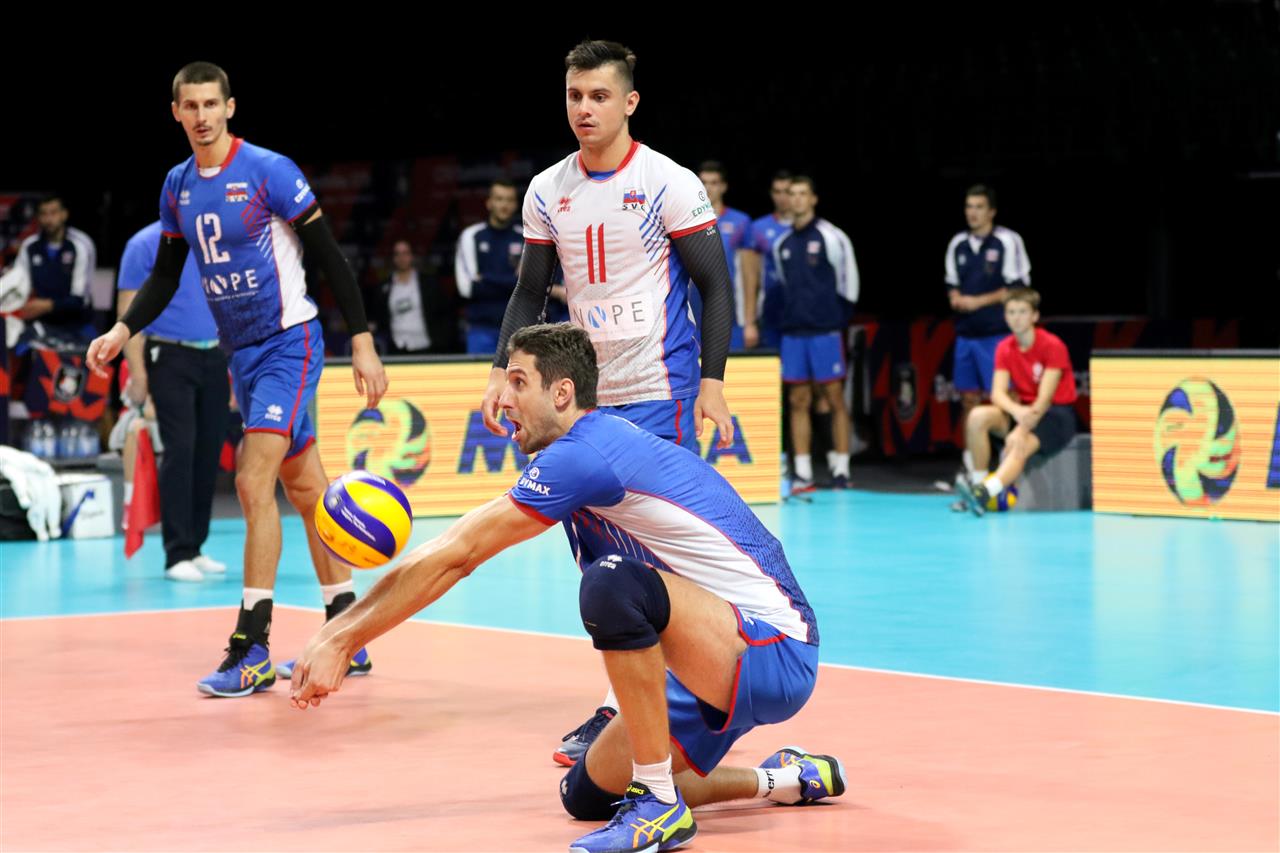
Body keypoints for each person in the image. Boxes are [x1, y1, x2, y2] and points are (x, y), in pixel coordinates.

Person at [289, 323, 845, 853]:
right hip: (704, 649)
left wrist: (342, 638)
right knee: (587, 796)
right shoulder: (575, 458)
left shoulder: (586, 452)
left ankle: (658, 804)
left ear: (562, 393)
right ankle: (786, 780)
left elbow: (457, 555)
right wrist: (340, 633)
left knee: (613, 585)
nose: (503, 398)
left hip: (772, 647)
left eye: (518, 382)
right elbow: (455, 545)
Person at [86, 61, 388, 697]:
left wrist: (362, 340)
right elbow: (165, 275)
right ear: (176, 112)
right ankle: (347, 631)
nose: (201, 116)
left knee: (253, 480)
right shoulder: (178, 185)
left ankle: (251, 647)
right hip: (241, 354)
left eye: (210, 105)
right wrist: (122, 330)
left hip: (288, 344)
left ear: (229, 107)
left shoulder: (269, 171)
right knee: (306, 489)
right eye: (189, 106)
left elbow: (329, 256)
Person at [475, 39, 737, 765]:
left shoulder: (668, 182)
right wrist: (501, 370)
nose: (584, 109)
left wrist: (713, 381)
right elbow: (530, 290)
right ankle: (624, 703)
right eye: (574, 96)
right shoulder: (546, 189)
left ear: (629, 102)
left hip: (659, 391)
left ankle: (675, 705)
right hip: (581, 406)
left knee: (659, 557)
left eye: (598, 96)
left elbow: (714, 284)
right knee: (600, 564)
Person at [117, 220, 229, 582]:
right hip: (168, 356)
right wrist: (138, 374)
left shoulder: (212, 239)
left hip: (216, 355)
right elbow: (127, 314)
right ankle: (177, 552)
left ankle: (195, 546)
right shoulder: (143, 244)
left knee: (209, 451)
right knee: (180, 449)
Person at [957, 287, 1077, 517]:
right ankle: (978, 483)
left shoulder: (1053, 346)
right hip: (1023, 410)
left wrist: (1021, 429)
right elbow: (997, 394)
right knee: (977, 416)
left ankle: (984, 494)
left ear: (1035, 316)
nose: (1016, 318)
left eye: (1022, 312)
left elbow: (1044, 400)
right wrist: (1017, 411)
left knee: (1019, 444)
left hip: (1055, 415)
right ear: (1005, 316)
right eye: (1011, 312)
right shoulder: (1004, 347)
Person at [773, 177, 859, 491]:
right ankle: (803, 472)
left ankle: (842, 469)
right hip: (794, 333)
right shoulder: (781, 244)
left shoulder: (832, 236)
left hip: (825, 331)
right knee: (798, 400)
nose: (796, 199)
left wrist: (834, 321)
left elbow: (849, 285)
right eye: (792, 194)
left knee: (834, 398)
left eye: (802, 194)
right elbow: (784, 285)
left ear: (813, 199)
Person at [944, 184, 1031, 475]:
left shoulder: (1008, 241)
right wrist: (956, 298)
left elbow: (1017, 288)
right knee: (968, 400)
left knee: (1006, 399)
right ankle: (972, 467)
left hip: (998, 335)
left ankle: (1012, 463)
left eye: (979, 207)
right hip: (966, 335)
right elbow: (951, 284)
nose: (973, 213)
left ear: (991, 211)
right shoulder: (958, 244)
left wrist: (977, 302)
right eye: (969, 207)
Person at [13, 194, 97, 343]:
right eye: (43, 214)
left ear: (64, 214)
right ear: (38, 217)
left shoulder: (81, 245)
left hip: (76, 324)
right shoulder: (29, 246)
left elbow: (81, 299)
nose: (49, 219)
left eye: (53, 213)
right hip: (40, 324)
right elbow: (18, 286)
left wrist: (47, 305)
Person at [692, 161, 756, 351]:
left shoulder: (741, 222)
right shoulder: (684, 220)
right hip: (693, 318)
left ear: (723, 187)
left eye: (714, 183)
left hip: (731, 318)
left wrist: (750, 323)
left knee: (731, 369)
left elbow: (749, 277)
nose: (708, 188)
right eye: (703, 182)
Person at [455, 180, 522, 354]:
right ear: (489, 203)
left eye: (509, 200)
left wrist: (485, 278)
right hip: (480, 329)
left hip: (519, 330)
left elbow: (528, 286)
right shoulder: (471, 235)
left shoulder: (526, 237)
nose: (504, 205)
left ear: (515, 205)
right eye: (499, 199)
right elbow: (467, 289)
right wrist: (512, 281)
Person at [372, 239, 455, 355]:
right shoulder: (384, 287)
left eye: (405, 253)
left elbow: (445, 312)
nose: (401, 258)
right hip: (397, 348)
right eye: (397, 254)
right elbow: (380, 317)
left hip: (426, 347)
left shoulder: (428, 283)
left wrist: (442, 340)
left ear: (412, 256)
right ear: (393, 258)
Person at [747, 169, 794, 350]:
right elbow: (751, 279)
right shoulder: (758, 228)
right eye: (777, 192)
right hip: (769, 314)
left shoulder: (807, 228)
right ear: (771, 194)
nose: (782, 197)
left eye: (787, 191)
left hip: (801, 314)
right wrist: (750, 322)